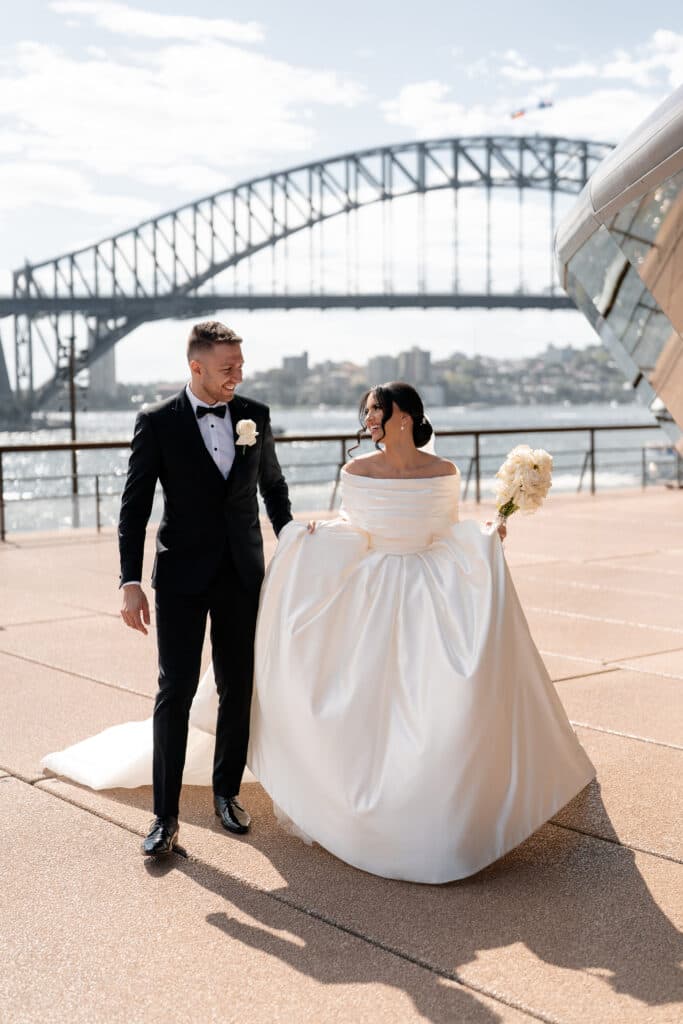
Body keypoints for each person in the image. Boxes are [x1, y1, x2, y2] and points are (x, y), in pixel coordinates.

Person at [43, 381, 594, 883]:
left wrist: (487, 533)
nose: (368, 422)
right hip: (373, 592)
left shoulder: (444, 471)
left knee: (434, 699)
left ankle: (437, 803)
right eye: (366, 414)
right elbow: (352, 533)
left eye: (375, 412)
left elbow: (448, 535)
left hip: (428, 591)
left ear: (401, 414)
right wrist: (305, 538)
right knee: (362, 702)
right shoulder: (358, 471)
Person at [43, 320, 292, 857]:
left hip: (241, 576)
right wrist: (129, 582)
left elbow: (272, 487)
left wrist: (295, 544)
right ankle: (165, 817)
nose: (238, 376)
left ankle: (227, 793)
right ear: (196, 367)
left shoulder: (255, 416)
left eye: (241, 367)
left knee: (236, 685)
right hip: (179, 579)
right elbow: (134, 509)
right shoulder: (157, 422)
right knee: (173, 691)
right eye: (228, 368)